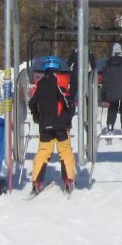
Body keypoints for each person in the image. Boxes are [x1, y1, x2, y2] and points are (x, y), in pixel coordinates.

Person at [26, 55, 76, 194]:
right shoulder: (57, 82)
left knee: (43, 152)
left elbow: (32, 102)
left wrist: (36, 115)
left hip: (44, 126)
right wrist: (68, 115)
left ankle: (36, 182)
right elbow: (66, 100)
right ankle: (68, 180)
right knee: (65, 151)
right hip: (60, 125)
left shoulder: (39, 84)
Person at [99, 42, 122, 136]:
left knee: (112, 109)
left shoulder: (108, 64)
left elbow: (105, 80)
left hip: (112, 91)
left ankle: (110, 128)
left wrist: (103, 95)